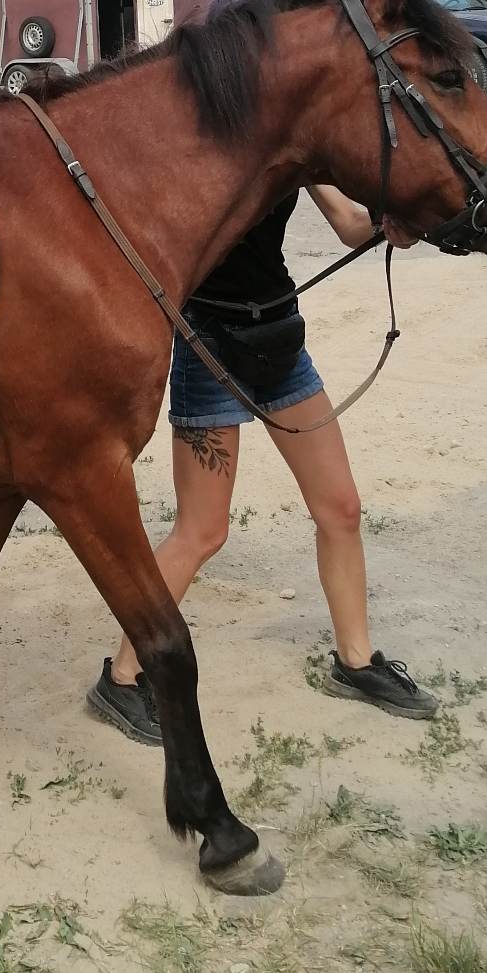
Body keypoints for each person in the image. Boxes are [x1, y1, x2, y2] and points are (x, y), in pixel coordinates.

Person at [86, 179, 440, 742]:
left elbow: (350, 225)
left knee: (341, 509)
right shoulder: (199, 150)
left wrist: (393, 219)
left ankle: (356, 662)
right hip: (210, 348)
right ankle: (123, 677)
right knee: (202, 531)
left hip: (279, 345)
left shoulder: (295, 151)